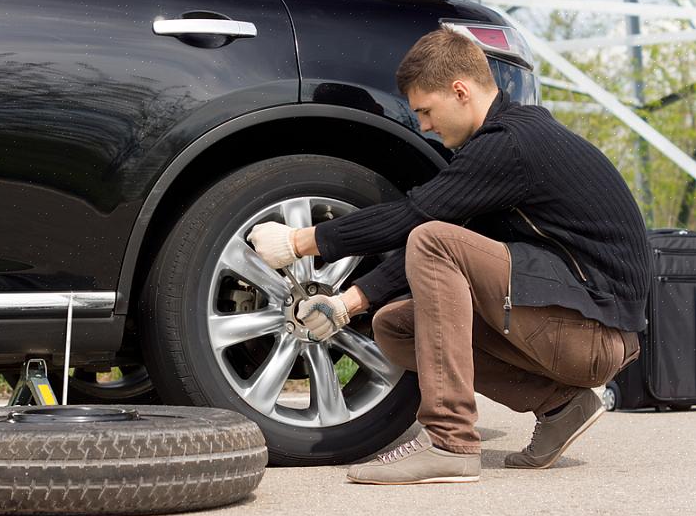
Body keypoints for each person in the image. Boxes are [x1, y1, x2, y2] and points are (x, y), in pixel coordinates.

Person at [247, 28, 649, 485]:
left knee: (432, 238)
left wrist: (303, 240)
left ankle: (450, 442)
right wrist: (348, 304)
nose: (424, 126)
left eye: (425, 110)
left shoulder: (510, 145)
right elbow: (452, 233)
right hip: (577, 323)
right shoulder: (504, 147)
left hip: (596, 333)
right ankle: (560, 404)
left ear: (460, 91)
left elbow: (415, 221)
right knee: (395, 327)